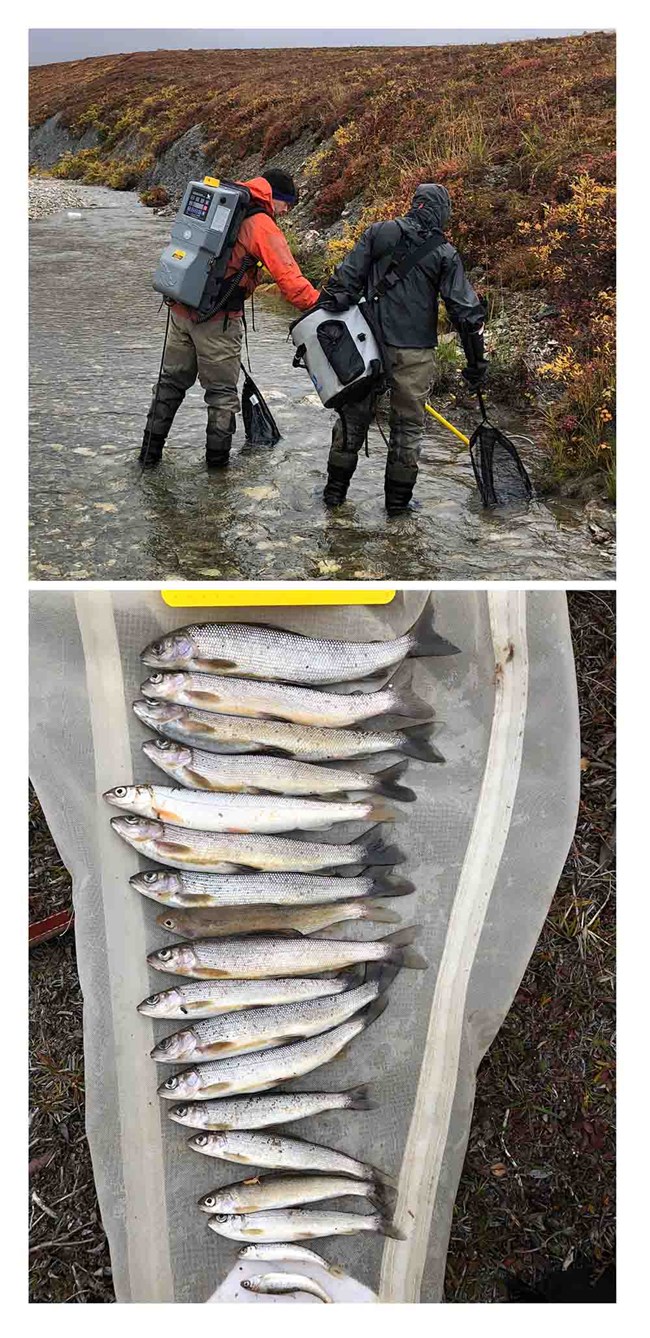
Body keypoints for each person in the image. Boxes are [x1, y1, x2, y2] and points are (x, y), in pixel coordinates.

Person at [317, 183, 488, 514]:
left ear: (414, 205)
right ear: (442, 213)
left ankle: (334, 496)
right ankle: (397, 509)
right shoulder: (445, 253)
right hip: (415, 353)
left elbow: (344, 283)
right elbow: (466, 313)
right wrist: (476, 363)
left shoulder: (378, 233)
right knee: (408, 427)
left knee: (352, 419)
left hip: (366, 347)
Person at [140, 169, 320, 468]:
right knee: (222, 396)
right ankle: (217, 476)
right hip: (218, 321)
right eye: (287, 204)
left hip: (180, 309)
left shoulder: (223, 200)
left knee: (169, 384)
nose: (287, 211)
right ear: (275, 197)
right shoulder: (260, 223)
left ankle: (148, 457)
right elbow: (290, 281)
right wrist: (320, 305)